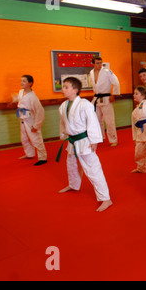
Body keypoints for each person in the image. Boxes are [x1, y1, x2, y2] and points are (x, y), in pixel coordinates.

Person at [57, 77, 112, 212]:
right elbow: (63, 123)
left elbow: (92, 122)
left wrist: (94, 140)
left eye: (66, 87)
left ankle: (106, 198)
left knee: (93, 169)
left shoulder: (84, 104)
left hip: (84, 141)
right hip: (72, 141)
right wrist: (64, 135)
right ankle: (74, 185)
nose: (63, 89)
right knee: (71, 164)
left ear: (75, 90)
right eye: (63, 87)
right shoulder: (63, 106)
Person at [14, 74, 47, 166]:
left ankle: (43, 158)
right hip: (22, 117)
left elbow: (40, 112)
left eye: (24, 81)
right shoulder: (21, 92)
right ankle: (29, 154)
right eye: (21, 81)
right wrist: (14, 99)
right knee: (24, 138)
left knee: (36, 138)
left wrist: (36, 125)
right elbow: (20, 99)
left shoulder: (33, 97)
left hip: (30, 119)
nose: (22, 83)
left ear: (30, 83)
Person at [89, 56, 120, 147]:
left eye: (100, 63)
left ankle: (113, 139)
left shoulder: (107, 71)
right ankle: (101, 137)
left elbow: (116, 82)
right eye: (97, 63)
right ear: (93, 64)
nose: (99, 65)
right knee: (97, 120)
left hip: (106, 98)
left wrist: (113, 94)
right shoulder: (91, 72)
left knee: (109, 121)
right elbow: (95, 86)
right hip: (96, 99)